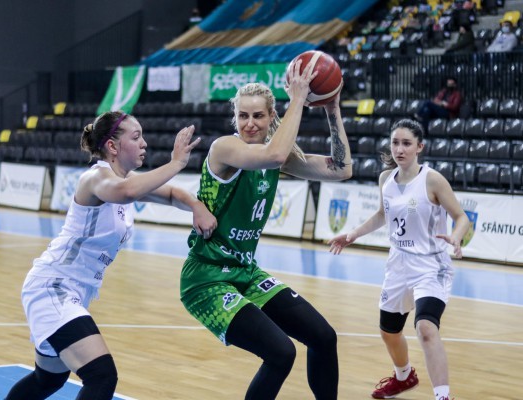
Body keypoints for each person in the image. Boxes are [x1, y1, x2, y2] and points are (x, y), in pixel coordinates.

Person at [5, 111, 217, 400]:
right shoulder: (97, 178)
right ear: (112, 147)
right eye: (136, 136)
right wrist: (176, 163)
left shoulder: (124, 179)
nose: (144, 143)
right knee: (101, 375)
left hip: (73, 292)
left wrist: (196, 205)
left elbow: (169, 194)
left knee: (48, 380)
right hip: (53, 287)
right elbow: (126, 191)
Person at [180, 58, 352, 400]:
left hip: (245, 271)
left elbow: (342, 169)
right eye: (243, 116)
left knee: (324, 337)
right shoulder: (225, 149)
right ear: (235, 118)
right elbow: (273, 155)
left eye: (258, 115)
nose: (250, 123)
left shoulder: (280, 154)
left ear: (271, 117)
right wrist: (299, 99)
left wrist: (331, 108)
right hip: (207, 279)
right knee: (281, 353)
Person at [328, 119, 469, 400]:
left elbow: (461, 217)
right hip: (398, 265)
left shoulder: (432, 179)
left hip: (431, 265)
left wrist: (456, 236)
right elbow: (382, 214)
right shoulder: (386, 179)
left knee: (426, 328)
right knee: (388, 332)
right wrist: (352, 234)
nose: (400, 149)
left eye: (406, 143)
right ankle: (404, 376)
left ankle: (443, 396)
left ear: (419, 147)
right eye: (395, 143)